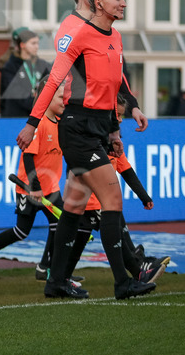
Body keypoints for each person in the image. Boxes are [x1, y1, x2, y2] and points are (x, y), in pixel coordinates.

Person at [17, 0, 153, 300]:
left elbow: (113, 85)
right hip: (77, 128)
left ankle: (56, 281)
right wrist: (31, 124)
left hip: (97, 128)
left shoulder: (116, 38)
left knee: (74, 207)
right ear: (98, 3)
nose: (123, 2)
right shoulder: (78, 37)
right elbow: (52, 84)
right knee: (113, 201)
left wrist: (119, 124)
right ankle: (123, 282)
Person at [61, 95, 170, 285]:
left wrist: (144, 197)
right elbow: (74, 168)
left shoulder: (114, 144)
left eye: (121, 116)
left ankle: (62, 278)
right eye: (116, 115)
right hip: (93, 204)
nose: (119, 119)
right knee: (114, 240)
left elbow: (127, 171)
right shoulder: (89, 141)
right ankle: (138, 272)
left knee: (86, 243)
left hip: (102, 203)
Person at [0, 77, 63, 285]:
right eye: (60, 96)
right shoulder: (38, 125)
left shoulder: (62, 123)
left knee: (60, 225)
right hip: (29, 188)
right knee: (21, 231)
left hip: (52, 188)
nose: (65, 101)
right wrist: (35, 187)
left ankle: (48, 268)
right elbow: (28, 157)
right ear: (46, 98)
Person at [63, 0, 147, 131]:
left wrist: (132, 106)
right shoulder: (71, 30)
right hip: (83, 121)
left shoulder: (111, 32)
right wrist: (33, 123)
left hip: (105, 120)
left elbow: (116, 77)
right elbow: (58, 81)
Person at [0, 27, 50, 117]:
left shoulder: (40, 65)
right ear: (22, 45)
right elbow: (17, 95)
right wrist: (39, 105)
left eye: (38, 43)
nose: (37, 47)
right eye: (33, 43)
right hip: (15, 118)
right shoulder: (10, 66)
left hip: (35, 116)